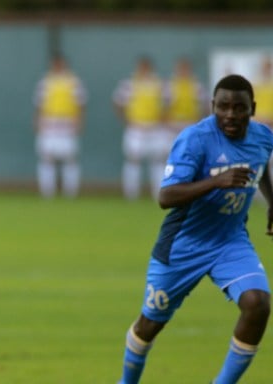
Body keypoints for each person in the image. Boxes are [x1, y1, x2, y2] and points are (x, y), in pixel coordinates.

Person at [117, 74, 273, 384]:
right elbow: (166, 197)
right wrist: (217, 180)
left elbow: (261, 164)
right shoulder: (195, 139)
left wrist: (271, 200)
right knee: (149, 326)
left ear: (251, 109)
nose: (230, 114)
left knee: (258, 304)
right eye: (223, 107)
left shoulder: (263, 136)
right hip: (183, 245)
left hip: (230, 241)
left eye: (239, 108)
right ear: (212, 106)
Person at [33, 53, 87, 198]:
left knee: (70, 159)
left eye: (60, 63)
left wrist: (79, 122)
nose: (57, 66)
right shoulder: (45, 82)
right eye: (55, 64)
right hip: (49, 124)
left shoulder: (73, 82)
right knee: (47, 158)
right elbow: (39, 105)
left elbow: (81, 104)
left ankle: (70, 193)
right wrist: (37, 122)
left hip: (67, 124)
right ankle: (47, 193)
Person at [113, 56, 168, 200]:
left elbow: (168, 103)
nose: (143, 70)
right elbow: (118, 102)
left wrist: (162, 118)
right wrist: (127, 121)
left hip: (155, 128)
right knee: (133, 159)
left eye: (146, 67)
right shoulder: (129, 84)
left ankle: (159, 194)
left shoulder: (159, 84)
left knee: (157, 161)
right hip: (136, 128)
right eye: (141, 67)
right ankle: (131, 194)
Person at [164, 57, 208, 144]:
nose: (183, 71)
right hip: (173, 126)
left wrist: (199, 122)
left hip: (190, 124)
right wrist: (168, 123)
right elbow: (163, 107)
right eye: (181, 68)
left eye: (186, 68)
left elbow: (205, 106)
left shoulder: (196, 86)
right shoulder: (169, 85)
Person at [254, 55, 273, 128]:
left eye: (268, 67)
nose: (266, 69)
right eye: (264, 67)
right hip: (259, 120)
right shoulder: (256, 84)